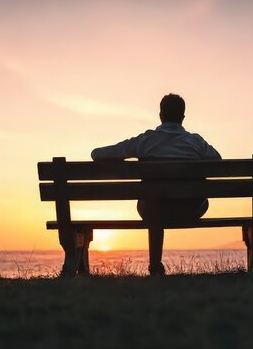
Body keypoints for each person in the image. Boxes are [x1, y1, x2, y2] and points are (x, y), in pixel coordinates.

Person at [91, 93, 221, 275]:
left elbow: (97, 154)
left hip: (153, 211)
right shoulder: (195, 141)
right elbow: (218, 161)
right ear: (183, 117)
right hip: (190, 210)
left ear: (160, 115)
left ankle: (155, 263)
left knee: (154, 203)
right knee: (166, 200)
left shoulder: (145, 140)